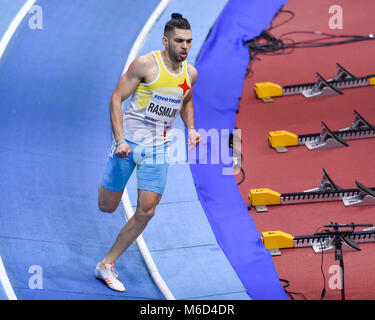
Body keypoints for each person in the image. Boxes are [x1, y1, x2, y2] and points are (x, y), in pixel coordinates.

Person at [95, 13, 201, 292]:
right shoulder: (144, 64)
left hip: (158, 148)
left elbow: (186, 100)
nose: (185, 47)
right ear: (165, 40)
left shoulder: (190, 73)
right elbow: (116, 98)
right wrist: (119, 141)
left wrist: (191, 128)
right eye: (179, 41)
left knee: (147, 210)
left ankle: (107, 264)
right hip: (128, 145)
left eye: (189, 41)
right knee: (107, 207)